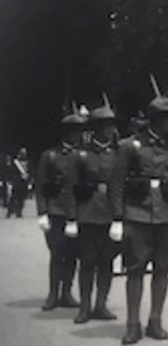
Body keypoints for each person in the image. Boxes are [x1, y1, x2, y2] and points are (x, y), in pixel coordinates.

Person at [108, 96, 168, 345]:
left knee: (162, 269)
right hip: (137, 214)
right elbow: (116, 183)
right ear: (155, 120)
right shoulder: (129, 146)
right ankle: (132, 324)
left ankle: (155, 321)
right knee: (135, 270)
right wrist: (117, 218)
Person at [69, 104, 120, 323]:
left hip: (111, 213)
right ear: (94, 128)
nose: (108, 129)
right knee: (87, 261)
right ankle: (85, 307)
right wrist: (72, 217)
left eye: (110, 125)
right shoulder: (81, 154)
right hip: (87, 212)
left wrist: (121, 216)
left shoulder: (119, 153)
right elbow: (71, 189)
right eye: (103, 125)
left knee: (107, 261)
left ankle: (101, 305)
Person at [36, 113, 86, 310]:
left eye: (79, 131)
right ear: (64, 133)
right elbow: (40, 185)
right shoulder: (50, 155)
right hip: (56, 211)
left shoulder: (83, 155)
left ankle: (67, 292)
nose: (76, 134)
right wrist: (42, 213)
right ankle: (53, 294)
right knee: (57, 253)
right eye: (73, 131)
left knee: (73, 253)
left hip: (79, 212)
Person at [8, 148, 30, 218]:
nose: (24, 154)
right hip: (16, 182)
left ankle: (19, 212)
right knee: (13, 198)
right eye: (22, 153)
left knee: (22, 198)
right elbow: (11, 172)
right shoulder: (15, 162)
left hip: (24, 182)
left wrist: (29, 180)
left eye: (25, 153)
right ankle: (10, 211)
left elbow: (30, 171)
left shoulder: (28, 162)